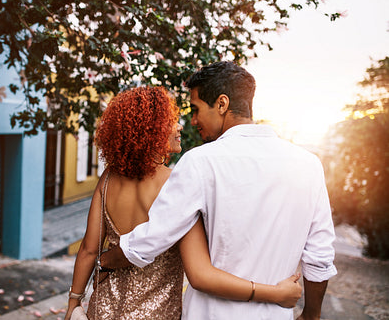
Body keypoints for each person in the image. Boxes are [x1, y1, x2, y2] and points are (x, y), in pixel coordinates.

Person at [101, 62, 338, 320]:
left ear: (222, 104)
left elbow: (152, 237)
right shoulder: (309, 165)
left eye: (196, 109)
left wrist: (105, 260)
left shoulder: (200, 162)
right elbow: (320, 256)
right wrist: (311, 314)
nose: (193, 121)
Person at [65, 86, 302, 320]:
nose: (180, 126)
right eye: (171, 121)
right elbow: (200, 273)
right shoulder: (177, 184)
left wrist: (74, 303)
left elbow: (88, 249)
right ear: (149, 129)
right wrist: (276, 294)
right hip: (157, 315)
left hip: (104, 308)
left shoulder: (108, 179)